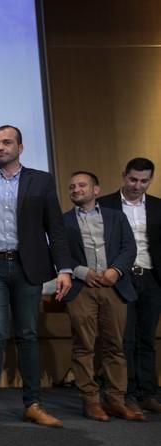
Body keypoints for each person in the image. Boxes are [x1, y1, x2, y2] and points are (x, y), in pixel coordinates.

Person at [0, 125, 72, 430]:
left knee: (27, 333)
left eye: (7, 142)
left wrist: (64, 268)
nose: (0, 147)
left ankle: (33, 404)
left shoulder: (41, 181)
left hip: (29, 267)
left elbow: (55, 228)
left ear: (20, 147)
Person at [62, 171, 142, 421]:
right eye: (72, 186)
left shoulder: (116, 217)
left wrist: (116, 271)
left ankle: (116, 400)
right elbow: (59, 252)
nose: (76, 189)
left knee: (115, 346)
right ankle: (91, 402)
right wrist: (82, 272)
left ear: (96, 190)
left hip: (113, 287)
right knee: (84, 347)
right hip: (81, 289)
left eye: (82, 185)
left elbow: (130, 247)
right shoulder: (62, 221)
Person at [99, 157, 161, 415]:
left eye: (144, 181)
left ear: (150, 180)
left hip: (151, 277)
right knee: (125, 339)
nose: (138, 185)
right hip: (121, 277)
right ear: (124, 175)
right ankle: (127, 393)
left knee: (146, 338)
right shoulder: (105, 205)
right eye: (133, 179)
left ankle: (148, 392)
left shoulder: (158, 206)